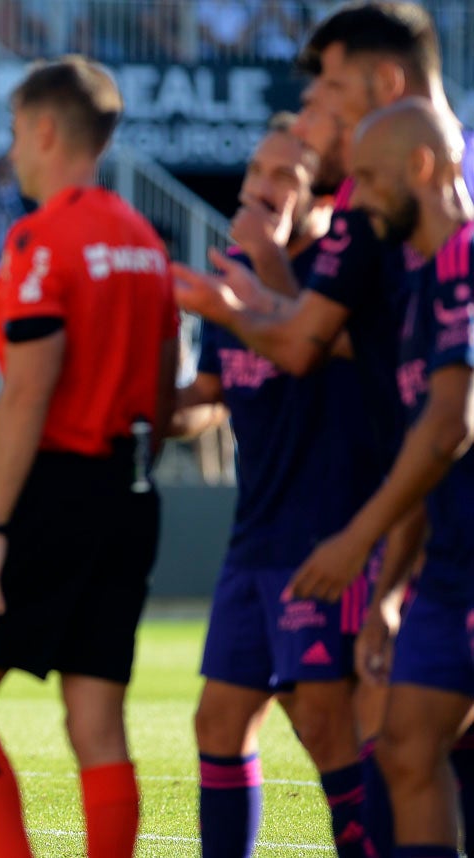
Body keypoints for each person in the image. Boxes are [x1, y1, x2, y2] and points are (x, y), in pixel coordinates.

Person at [0, 57, 178, 858]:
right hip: (130, 488)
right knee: (97, 722)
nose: (13, 152)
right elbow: (165, 395)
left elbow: (26, 392)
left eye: (13, 133)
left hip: (52, 487)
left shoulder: (42, 237)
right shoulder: (145, 241)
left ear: (42, 129)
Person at [174, 115, 385, 858]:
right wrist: (136, 409)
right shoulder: (234, 264)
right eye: (254, 174)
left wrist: (268, 270)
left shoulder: (347, 262)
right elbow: (208, 392)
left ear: (321, 188)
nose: (258, 190)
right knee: (218, 723)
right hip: (253, 533)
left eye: (281, 177)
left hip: (327, 533)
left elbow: (319, 350)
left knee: (326, 725)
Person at [283, 98, 474, 858]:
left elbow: (447, 430)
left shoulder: (463, 257)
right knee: (404, 749)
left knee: (411, 748)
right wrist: (389, 588)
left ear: (420, 167)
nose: (352, 199)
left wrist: (354, 543)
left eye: (366, 178)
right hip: (448, 563)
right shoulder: (420, 283)